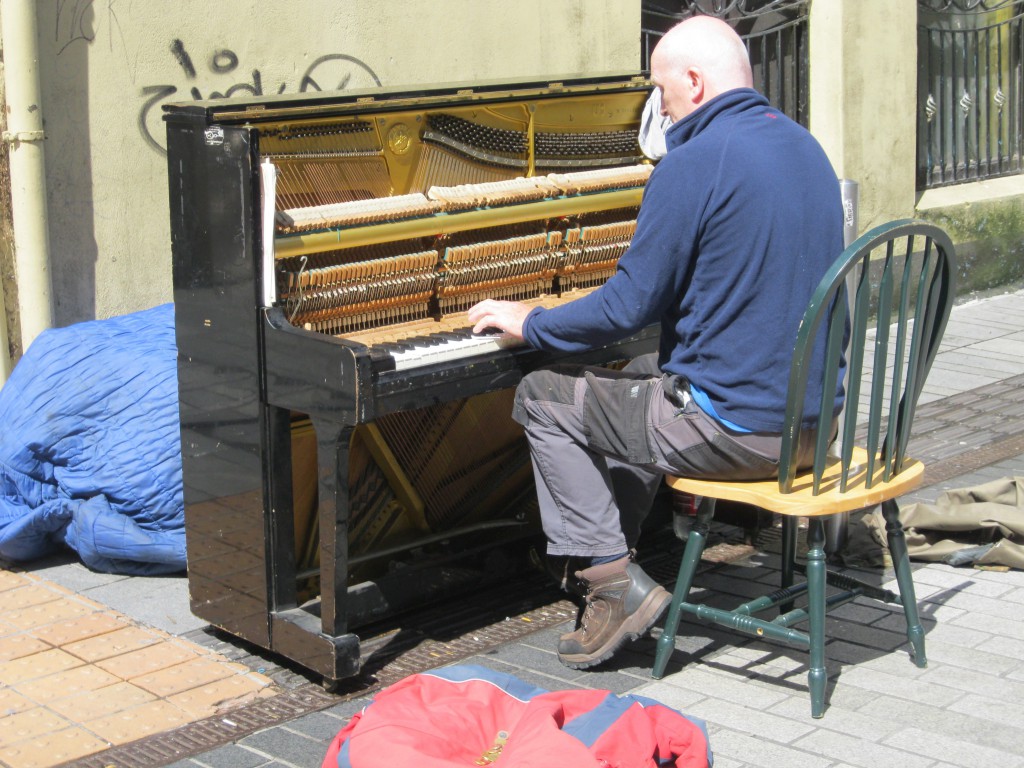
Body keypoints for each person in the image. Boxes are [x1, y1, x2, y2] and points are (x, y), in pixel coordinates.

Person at [467, 15, 845, 669]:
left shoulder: (694, 163)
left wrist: (533, 320)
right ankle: (612, 547)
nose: (658, 105)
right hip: (814, 422)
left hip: (739, 433)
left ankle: (611, 583)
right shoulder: (804, 146)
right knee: (640, 370)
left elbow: (624, 306)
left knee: (544, 395)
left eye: (661, 89)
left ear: (694, 82)